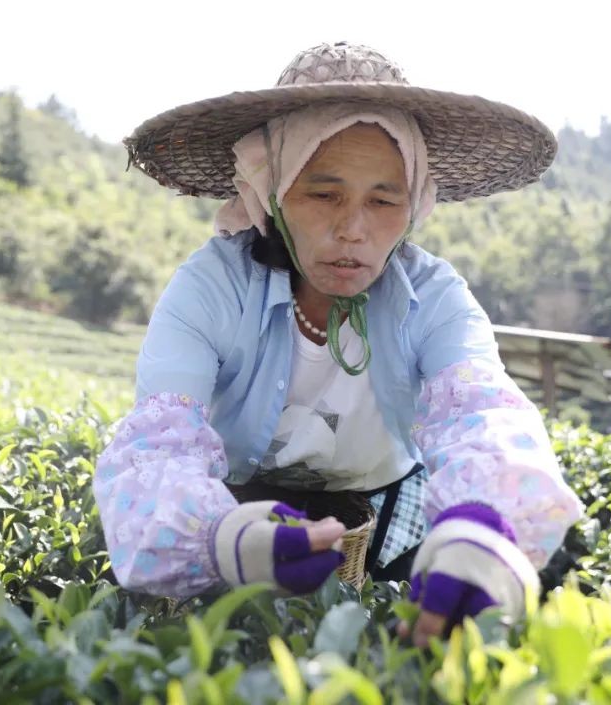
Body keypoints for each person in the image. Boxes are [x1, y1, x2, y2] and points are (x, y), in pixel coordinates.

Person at [94, 42, 584, 646]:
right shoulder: (211, 289)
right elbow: (157, 445)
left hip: (381, 503)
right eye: (323, 195)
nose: (353, 229)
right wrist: (221, 535)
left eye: (383, 200)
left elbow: (482, 412)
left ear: (413, 207)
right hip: (234, 510)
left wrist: (481, 530)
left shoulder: (432, 299)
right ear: (270, 192)